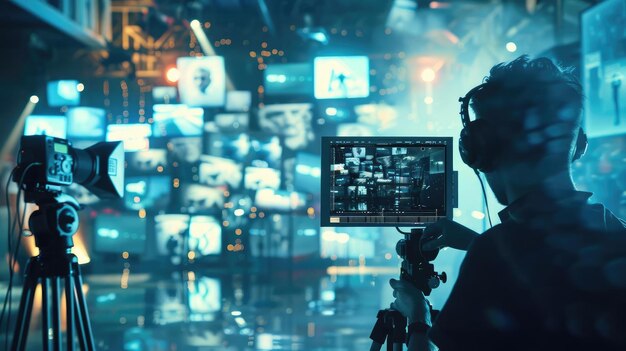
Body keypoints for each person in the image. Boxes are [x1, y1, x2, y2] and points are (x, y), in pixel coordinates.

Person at [390, 55, 626, 350]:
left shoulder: (492, 257)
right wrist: (480, 243)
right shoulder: (616, 230)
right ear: (578, 144)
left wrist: (417, 317)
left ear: (481, 148)